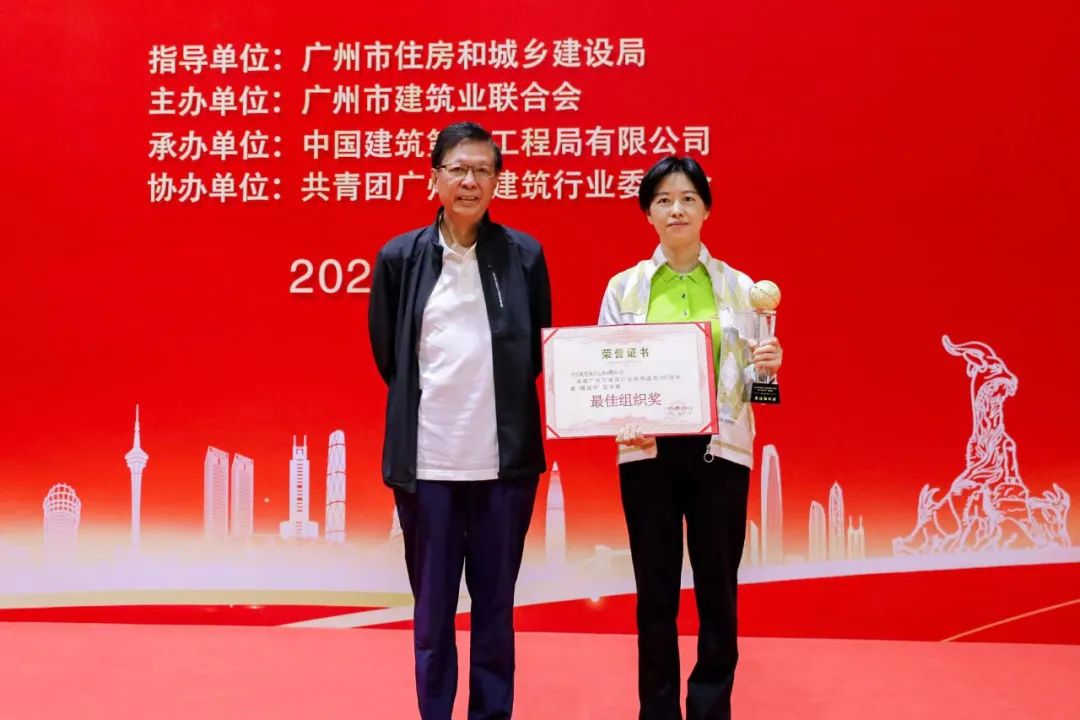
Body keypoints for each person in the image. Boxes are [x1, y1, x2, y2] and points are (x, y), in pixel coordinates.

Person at [368, 122, 551, 720]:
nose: (469, 181)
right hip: (428, 467)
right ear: (435, 178)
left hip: (504, 468)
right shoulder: (400, 258)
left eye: (482, 170)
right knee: (433, 614)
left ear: (497, 181)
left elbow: (535, 352)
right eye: (458, 169)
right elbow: (389, 356)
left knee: (495, 611)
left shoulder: (524, 256)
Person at [597, 156, 783, 720]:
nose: (676, 210)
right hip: (647, 454)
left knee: (718, 595)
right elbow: (604, 371)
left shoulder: (741, 288)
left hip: (719, 454)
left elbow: (753, 388)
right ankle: (656, 711)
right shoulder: (625, 287)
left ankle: (709, 709)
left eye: (688, 199)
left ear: (706, 209)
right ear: (648, 213)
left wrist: (767, 369)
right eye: (663, 200)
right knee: (654, 594)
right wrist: (621, 417)